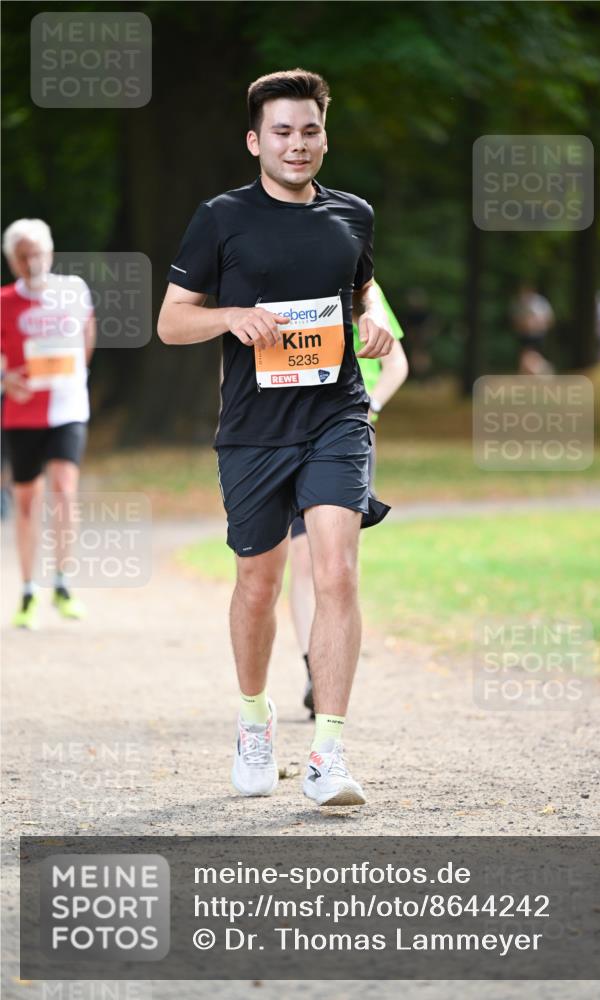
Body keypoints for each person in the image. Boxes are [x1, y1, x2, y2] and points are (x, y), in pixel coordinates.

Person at [158, 69, 394, 808]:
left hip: (336, 417)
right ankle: (254, 721)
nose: (298, 143)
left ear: (325, 134)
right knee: (257, 585)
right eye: (283, 132)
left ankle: (328, 749)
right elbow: (170, 323)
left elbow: (355, 302)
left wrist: (368, 328)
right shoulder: (221, 218)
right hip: (254, 432)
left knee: (335, 573)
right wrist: (230, 317)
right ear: (256, 140)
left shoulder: (353, 215)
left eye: (310, 129)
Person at [291, 284, 408, 716]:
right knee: (302, 558)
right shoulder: (289, 286)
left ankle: (327, 664)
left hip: (349, 435)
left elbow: (397, 363)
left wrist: (371, 403)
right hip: (291, 433)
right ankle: (312, 667)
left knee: (336, 561)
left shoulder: (367, 295)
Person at [1, 218, 96, 628]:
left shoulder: (73, 290)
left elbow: (87, 335)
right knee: (26, 500)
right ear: (12, 262)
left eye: (37, 252)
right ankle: (27, 589)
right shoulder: (4, 301)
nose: (31, 261)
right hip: (22, 412)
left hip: (68, 407)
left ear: (50, 253)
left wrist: (76, 375)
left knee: (64, 488)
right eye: (23, 255)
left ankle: (62, 581)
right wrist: (5, 379)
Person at [511, 284, 555, 375]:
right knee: (526, 356)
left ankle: (542, 373)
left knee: (531, 356)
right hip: (524, 334)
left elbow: (549, 319)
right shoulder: (518, 302)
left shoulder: (540, 302)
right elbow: (514, 320)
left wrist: (537, 324)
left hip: (538, 334)